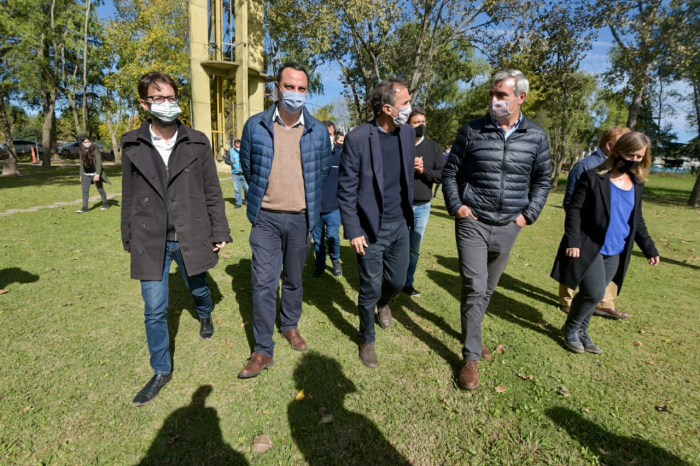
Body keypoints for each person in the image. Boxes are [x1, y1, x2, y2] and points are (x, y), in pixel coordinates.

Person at [121, 72, 232, 405]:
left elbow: (212, 190)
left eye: (171, 98)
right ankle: (160, 370)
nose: (166, 104)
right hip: (150, 237)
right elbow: (129, 194)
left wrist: (220, 229)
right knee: (154, 309)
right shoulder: (131, 143)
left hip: (191, 232)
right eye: (158, 99)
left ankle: (205, 311)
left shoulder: (198, 141)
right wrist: (127, 233)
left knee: (197, 285)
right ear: (145, 104)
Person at [442, 69, 552, 390]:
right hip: (473, 222)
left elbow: (543, 179)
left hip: (509, 225)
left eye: (501, 96)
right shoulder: (472, 131)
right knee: (475, 286)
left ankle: (471, 334)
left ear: (521, 98)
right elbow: (451, 172)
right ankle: (470, 357)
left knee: (488, 289)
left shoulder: (536, 136)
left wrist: (527, 215)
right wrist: (457, 207)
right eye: (492, 94)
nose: (494, 101)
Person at [238, 62, 332, 378]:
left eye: (301, 88)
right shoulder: (255, 126)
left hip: (301, 219)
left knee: (293, 279)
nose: (295, 93)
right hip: (265, 219)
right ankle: (263, 349)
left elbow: (320, 174)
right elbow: (250, 169)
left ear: (308, 91)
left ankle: (290, 325)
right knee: (264, 283)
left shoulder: (319, 132)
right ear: (277, 88)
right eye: (289, 87)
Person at [551, 132, 660, 354]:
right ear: (618, 151)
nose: (634, 160)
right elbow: (574, 210)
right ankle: (571, 328)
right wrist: (573, 241)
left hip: (617, 249)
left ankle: (582, 330)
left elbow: (636, 219)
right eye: (631, 155)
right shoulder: (593, 177)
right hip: (590, 245)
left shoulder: (636, 183)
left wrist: (649, 247)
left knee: (596, 294)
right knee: (593, 291)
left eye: (640, 157)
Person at [338, 77, 415, 368]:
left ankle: (385, 303)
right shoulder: (358, 138)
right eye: (405, 103)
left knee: (397, 280)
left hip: (401, 224)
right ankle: (367, 338)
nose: (410, 108)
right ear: (387, 108)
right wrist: (353, 230)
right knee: (369, 287)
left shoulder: (407, 134)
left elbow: (403, 176)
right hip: (370, 229)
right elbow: (346, 189)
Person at [559, 126, 632, 319]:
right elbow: (571, 202)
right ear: (610, 145)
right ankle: (567, 300)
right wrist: (577, 233)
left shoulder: (623, 171)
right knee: (574, 261)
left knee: (606, 266)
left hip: (610, 234)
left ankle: (605, 303)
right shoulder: (586, 166)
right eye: (623, 144)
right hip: (584, 232)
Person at [402, 107, 445, 297]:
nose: (421, 126)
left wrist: (423, 170)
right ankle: (391, 280)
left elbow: (442, 174)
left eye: (423, 122)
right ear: (407, 125)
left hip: (422, 207)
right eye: (416, 122)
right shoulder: (399, 144)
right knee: (395, 246)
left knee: (414, 248)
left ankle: (407, 282)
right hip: (400, 205)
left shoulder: (434, 148)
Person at [310, 120, 343, 279]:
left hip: (334, 208)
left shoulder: (341, 156)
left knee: (333, 237)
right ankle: (320, 266)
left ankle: (336, 260)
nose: (326, 138)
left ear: (334, 136)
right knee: (318, 242)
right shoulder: (311, 157)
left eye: (329, 134)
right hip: (316, 208)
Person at [76, 135, 111, 213]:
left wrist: (97, 174)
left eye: (88, 142)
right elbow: (81, 164)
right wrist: (81, 175)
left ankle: (105, 203)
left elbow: (99, 163)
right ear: (81, 143)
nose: (87, 143)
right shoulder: (81, 151)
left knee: (100, 189)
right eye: (85, 142)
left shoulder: (95, 150)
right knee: (85, 191)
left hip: (95, 173)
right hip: (86, 173)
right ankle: (85, 208)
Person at [224, 138, 248, 209]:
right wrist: (232, 163)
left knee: (246, 188)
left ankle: (247, 201)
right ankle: (238, 204)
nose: (237, 144)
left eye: (239, 143)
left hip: (244, 173)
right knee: (237, 190)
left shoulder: (245, 150)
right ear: (234, 144)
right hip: (235, 174)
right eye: (236, 143)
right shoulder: (231, 151)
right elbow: (226, 160)